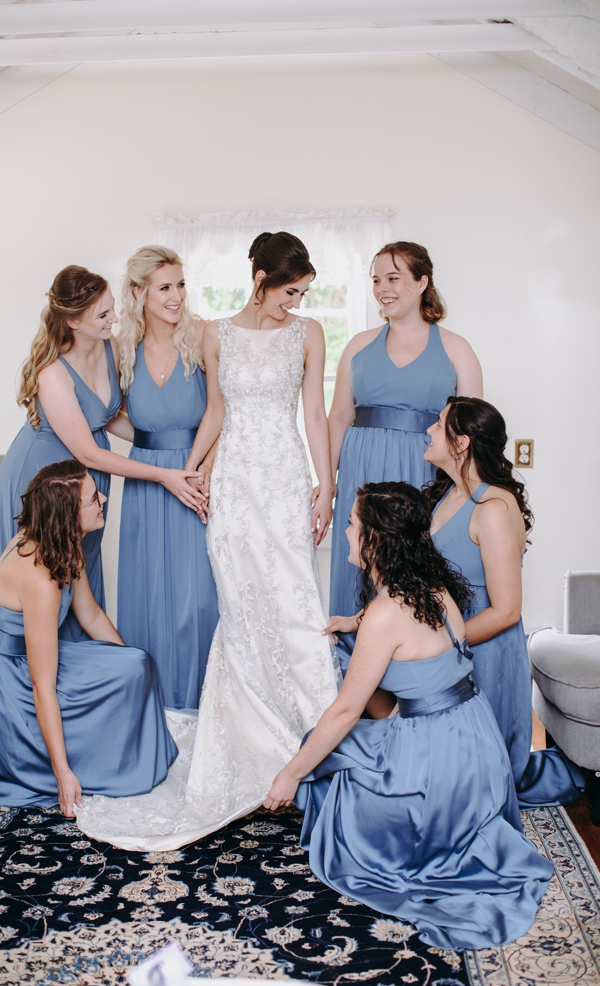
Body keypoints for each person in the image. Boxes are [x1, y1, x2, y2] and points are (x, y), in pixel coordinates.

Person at [75, 232, 338, 851]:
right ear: (260, 280)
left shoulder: (309, 333)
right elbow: (216, 412)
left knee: (295, 603)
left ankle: (310, 743)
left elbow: (314, 414)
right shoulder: (216, 334)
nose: (293, 302)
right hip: (233, 485)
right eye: (287, 291)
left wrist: (325, 486)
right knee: (240, 610)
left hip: (284, 481)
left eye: (302, 293)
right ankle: (247, 746)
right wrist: (192, 472)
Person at [265, 483, 552, 952]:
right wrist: (355, 624)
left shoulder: (385, 614)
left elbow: (342, 712)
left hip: (438, 768)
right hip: (478, 744)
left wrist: (288, 776)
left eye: (353, 524)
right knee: (352, 738)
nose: (347, 533)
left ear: (376, 539)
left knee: (324, 757)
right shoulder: (435, 589)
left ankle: (377, 835)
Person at [0, 265, 205, 639]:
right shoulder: (53, 373)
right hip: (45, 473)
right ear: (73, 321)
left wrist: (168, 443)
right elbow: (87, 451)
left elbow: (107, 418)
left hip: (84, 477)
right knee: (43, 573)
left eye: (112, 309)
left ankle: (83, 668)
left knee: (79, 569)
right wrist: (162, 474)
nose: (115, 319)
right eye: (103, 314)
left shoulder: (109, 348)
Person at [0, 459, 177, 817]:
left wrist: (129, 668)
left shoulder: (62, 541)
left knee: (138, 664)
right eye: (94, 499)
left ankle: (122, 748)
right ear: (68, 514)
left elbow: (91, 615)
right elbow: (41, 685)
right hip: (8, 681)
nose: (104, 500)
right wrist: (63, 774)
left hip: (29, 661)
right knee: (127, 673)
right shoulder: (41, 580)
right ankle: (84, 763)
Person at [423, 397, 583, 813]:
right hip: (451, 637)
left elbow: (507, 610)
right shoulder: (450, 495)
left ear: (461, 443)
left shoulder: (492, 507)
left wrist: (443, 642)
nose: (427, 431)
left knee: (464, 783)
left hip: (484, 649)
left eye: (438, 426)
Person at [326, 242, 482, 619]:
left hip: (424, 476)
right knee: (357, 568)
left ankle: (417, 666)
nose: (382, 288)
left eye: (393, 278)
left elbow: (472, 433)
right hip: (359, 474)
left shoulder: (456, 349)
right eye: (376, 280)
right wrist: (327, 484)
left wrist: (471, 496)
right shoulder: (358, 346)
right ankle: (354, 668)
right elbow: (338, 418)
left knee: (415, 576)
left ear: (422, 281)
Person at [111, 245, 219, 710]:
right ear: (139, 293)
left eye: (180, 285)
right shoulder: (120, 348)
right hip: (147, 480)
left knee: (198, 600)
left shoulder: (203, 335)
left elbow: (221, 410)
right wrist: (152, 451)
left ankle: (200, 706)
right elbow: (111, 416)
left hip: (196, 479)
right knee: (147, 595)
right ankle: (151, 708)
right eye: (165, 288)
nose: (176, 296)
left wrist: (195, 470)